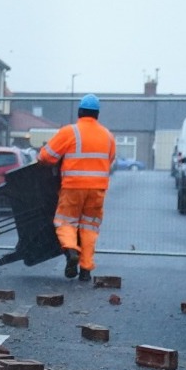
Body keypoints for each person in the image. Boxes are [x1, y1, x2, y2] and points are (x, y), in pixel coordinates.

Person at [37, 93, 116, 281]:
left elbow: (45, 156)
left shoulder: (70, 132)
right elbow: (110, 159)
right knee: (90, 226)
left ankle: (71, 250)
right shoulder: (108, 135)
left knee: (66, 221)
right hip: (97, 189)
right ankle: (86, 269)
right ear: (97, 114)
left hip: (73, 186)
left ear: (80, 112)